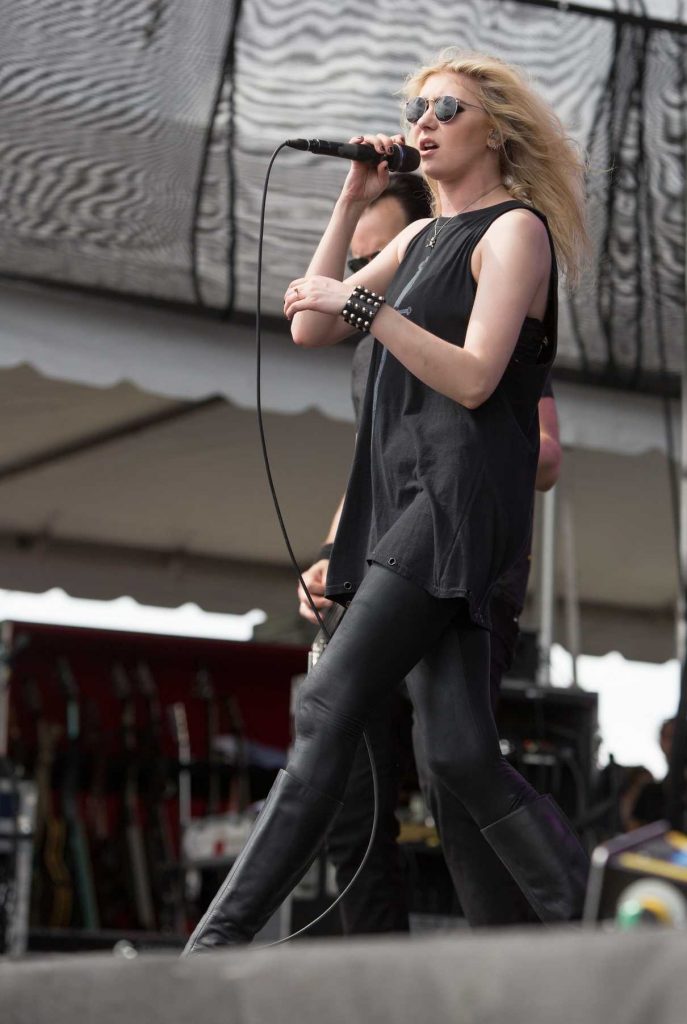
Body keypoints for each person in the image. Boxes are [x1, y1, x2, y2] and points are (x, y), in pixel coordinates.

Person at [183, 49, 589, 954]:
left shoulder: (510, 230)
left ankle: (213, 946)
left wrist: (367, 311)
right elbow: (310, 322)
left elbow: (479, 378)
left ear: (498, 128)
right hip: (399, 508)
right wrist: (351, 198)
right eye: (415, 108)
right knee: (455, 756)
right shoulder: (411, 238)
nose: (424, 120)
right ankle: (591, 922)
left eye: (446, 105)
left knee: (327, 704)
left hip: (456, 506)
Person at [299, 179, 562, 931]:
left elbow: (537, 449)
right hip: (379, 556)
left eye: (377, 251)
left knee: (452, 763)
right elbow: (376, 460)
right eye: (360, 258)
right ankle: (373, 978)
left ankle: (524, 947)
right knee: (351, 784)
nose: (365, 267)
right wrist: (329, 552)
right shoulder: (375, 313)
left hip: (453, 552)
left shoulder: (479, 287)